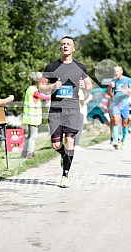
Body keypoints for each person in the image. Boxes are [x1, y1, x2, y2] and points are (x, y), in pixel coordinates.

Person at [39, 35, 93, 187]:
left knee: (69, 140)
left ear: (73, 48)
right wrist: (52, 87)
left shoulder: (80, 67)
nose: (65, 46)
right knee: (56, 145)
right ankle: (65, 156)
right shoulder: (51, 67)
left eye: (68, 44)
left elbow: (89, 86)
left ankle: (65, 175)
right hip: (56, 110)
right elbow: (41, 86)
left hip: (72, 110)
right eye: (63, 44)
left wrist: (84, 86)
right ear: (60, 47)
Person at [21, 72, 51, 159]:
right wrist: (53, 94)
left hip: (29, 117)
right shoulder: (34, 91)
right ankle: (30, 153)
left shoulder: (29, 89)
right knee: (33, 136)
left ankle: (24, 153)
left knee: (30, 135)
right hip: (33, 117)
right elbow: (44, 97)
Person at [107, 66, 131, 149]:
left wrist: (127, 91)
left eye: (118, 71)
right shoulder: (113, 81)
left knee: (124, 123)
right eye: (115, 71)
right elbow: (110, 95)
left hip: (125, 105)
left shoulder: (127, 80)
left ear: (121, 71)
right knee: (115, 121)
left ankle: (123, 140)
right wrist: (110, 88)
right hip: (116, 104)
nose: (116, 73)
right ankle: (115, 140)